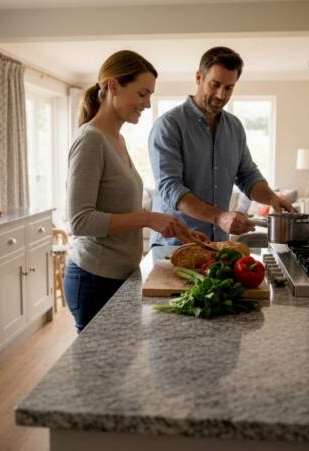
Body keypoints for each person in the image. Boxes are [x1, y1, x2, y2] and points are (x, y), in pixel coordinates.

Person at [65, 50, 204, 334]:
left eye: (150, 95)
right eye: (142, 94)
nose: (146, 103)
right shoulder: (90, 140)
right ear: (114, 86)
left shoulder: (116, 139)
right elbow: (79, 222)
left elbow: (118, 209)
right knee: (100, 374)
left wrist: (177, 229)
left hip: (118, 275)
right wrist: (147, 219)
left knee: (116, 371)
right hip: (94, 278)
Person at [149, 46, 296, 246]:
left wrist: (272, 198)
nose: (221, 95)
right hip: (175, 244)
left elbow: (248, 176)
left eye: (229, 88)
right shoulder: (169, 125)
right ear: (199, 78)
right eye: (215, 84)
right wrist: (220, 217)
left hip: (217, 244)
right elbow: (170, 187)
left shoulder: (234, 127)